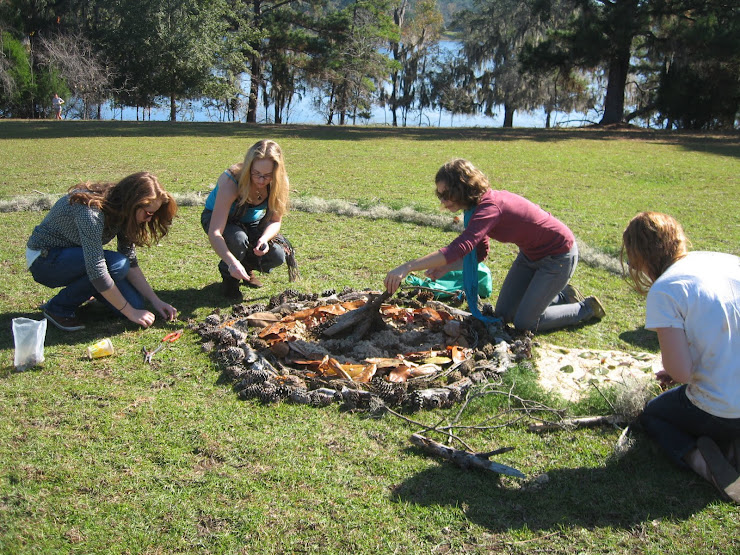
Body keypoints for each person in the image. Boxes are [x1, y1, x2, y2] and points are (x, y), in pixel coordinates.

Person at [384, 158, 604, 332]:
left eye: (446, 194)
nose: (441, 200)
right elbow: (480, 252)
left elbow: (461, 246)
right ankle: (561, 296)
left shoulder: (489, 208)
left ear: (462, 188)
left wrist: (408, 267)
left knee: (524, 323)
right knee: (504, 315)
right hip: (530, 257)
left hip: (558, 257)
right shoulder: (474, 210)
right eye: (438, 194)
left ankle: (584, 308)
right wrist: (447, 267)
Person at [622, 211, 740, 503]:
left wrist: (674, 369)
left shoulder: (666, 289)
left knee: (654, 415)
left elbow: (682, 373)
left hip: (723, 409)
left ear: (640, 257)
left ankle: (705, 462)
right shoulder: (725, 260)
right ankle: (730, 446)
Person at [26, 172, 178, 331]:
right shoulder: (91, 213)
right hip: (44, 260)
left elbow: (130, 259)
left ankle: (86, 292)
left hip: (75, 257)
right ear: (132, 203)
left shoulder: (123, 212)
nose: (148, 220)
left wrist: (155, 300)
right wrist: (131, 312)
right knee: (117, 265)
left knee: (136, 303)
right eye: (148, 213)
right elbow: (97, 270)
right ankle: (58, 308)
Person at [201, 139, 290, 298]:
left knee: (277, 254)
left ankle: (246, 267)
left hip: (250, 221)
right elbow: (215, 232)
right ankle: (230, 278)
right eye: (256, 173)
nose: (261, 180)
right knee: (238, 240)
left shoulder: (280, 183)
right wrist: (232, 262)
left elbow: (275, 221)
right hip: (219, 218)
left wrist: (264, 239)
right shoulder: (231, 181)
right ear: (249, 167)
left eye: (267, 175)